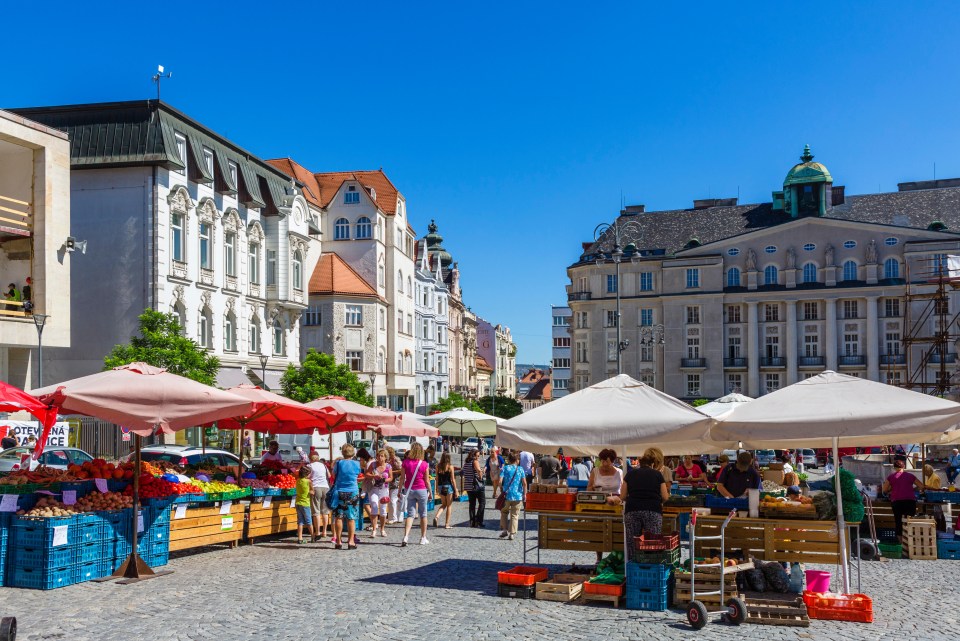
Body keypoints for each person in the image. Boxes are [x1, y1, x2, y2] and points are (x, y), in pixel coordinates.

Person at [621, 449, 670, 560]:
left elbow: (623, 496)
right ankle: (650, 566)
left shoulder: (630, 474)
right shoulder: (657, 475)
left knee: (632, 543)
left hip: (632, 510)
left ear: (640, 463)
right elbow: (665, 497)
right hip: (653, 511)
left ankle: (633, 568)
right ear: (652, 464)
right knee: (652, 542)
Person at [399, 442, 434, 546]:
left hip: (409, 490)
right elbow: (427, 480)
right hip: (421, 490)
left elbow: (402, 478)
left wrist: (400, 489)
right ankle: (423, 538)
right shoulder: (424, 464)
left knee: (410, 515)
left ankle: (406, 537)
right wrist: (431, 492)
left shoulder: (405, 462)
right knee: (423, 514)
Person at [329, 443, 362, 550]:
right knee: (351, 518)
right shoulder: (357, 464)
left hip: (339, 492)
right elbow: (357, 475)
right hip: (353, 492)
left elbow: (333, 475)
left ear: (343, 452)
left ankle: (338, 541)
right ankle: (351, 541)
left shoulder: (338, 463)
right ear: (353, 453)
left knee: (339, 517)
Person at [883, 457, 925, 538]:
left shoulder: (891, 477)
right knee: (909, 521)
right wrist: (913, 489)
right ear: (904, 466)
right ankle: (910, 541)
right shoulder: (910, 476)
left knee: (898, 521)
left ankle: (901, 542)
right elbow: (921, 486)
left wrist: (892, 488)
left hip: (897, 502)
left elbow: (884, 490)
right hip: (910, 501)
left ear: (894, 468)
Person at [498, 451, 527, 540]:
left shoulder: (505, 468)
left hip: (506, 495)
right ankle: (512, 534)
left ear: (509, 460)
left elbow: (499, 481)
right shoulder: (520, 469)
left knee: (504, 512)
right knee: (515, 515)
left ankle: (504, 530)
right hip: (517, 496)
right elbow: (524, 483)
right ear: (517, 460)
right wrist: (524, 494)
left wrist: (501, 489)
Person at [365, 449, 393, 537]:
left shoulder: (388, 466)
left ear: (385, 457)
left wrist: (385, 480)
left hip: (384, 489)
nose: (379, 457)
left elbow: (391, 478)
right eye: (378, 456)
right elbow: (366, 474)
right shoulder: (373, 464)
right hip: (374, 488)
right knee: (373, 505)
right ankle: (374, 530)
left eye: (381, 456)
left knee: (383, 510)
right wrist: (374, 476)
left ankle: (382, 529)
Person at [308, 451, 331, 541]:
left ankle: (317, 532)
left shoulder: (310, 466)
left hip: (316, 488)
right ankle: (324, 531)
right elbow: (329, 476)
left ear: (310, 458)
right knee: (325, 511)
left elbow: (307, 477)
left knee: (316, 511)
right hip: (325, 487)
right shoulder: (323, 465)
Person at [433, 453, 459, 528]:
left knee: (443, 504)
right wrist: (456, 490)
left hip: (441, 486)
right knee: (449, 506)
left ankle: (436, 517)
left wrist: (436, 488)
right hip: (448, 486)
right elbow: (453, 479)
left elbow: (437, 478)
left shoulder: (438, 466)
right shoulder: (450, 467)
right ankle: (447, 524)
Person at [462, 449, 486, 527]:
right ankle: (478, 520)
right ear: (474, 455)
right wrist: (483, 471)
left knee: (472, 504)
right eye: (478, 455)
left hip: (469, 486)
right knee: (482, 503)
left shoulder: (466, 463)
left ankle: (472, 522)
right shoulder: (475, 462)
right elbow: (479, 473)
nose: (478, 457)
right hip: (477, 485)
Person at [295, 467, 314, 544]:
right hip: (305, 503)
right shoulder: (308, 481)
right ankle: (313, 536)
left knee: (300, 521)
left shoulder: (298, 480)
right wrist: (311, 491)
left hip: (298, 503)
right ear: (307, 474)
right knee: (309, 521)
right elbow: (312, 492)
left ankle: (300, 538)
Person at [386, 447, 403, 524]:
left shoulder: (396, 460)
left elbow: (401, 470)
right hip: (390, 482)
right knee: (391, 500)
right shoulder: (388, 460)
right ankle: (391, 517)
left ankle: (394, 518)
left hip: (396, 482)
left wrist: (391, 472)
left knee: (393, 500)